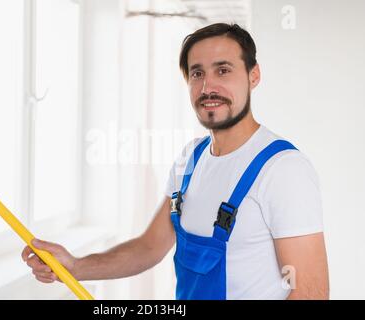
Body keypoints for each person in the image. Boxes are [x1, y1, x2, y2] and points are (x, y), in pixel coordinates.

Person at [21, 23, 329, 300]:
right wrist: (74, 267)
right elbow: (150, 247)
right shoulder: (190, 160)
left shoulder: (283, 169)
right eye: (198, 73)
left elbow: (311, 292)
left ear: (254, 76)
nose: (208, 87)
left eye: (223, 70)